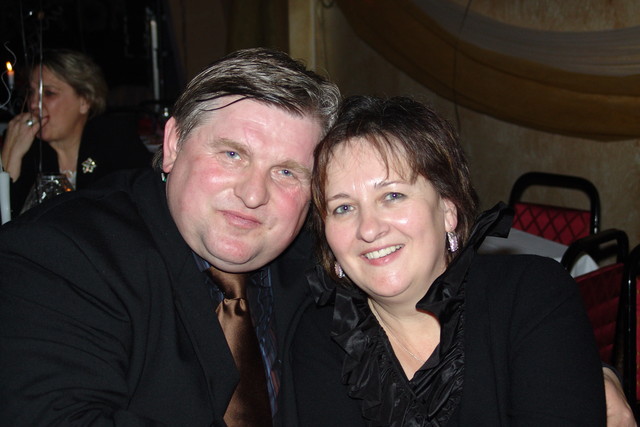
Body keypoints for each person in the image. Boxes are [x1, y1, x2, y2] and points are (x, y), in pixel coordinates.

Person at [0, 47, 340, 425]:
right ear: (174, 145)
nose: (253, 194)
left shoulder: (324, 268)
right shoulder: (60, 256)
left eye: (287, 172)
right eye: (232, 154)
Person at [291, 95, 610, 425]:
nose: (369, 229)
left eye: (393, 195)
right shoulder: (320, 337)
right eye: (343, 207)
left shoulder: (532, 294)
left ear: (447, 210)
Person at [1, 48, 152, 215]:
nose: (34, 104)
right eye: (31, 92)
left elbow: (144, 202)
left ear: (85, 101)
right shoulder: (30, 148)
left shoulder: (113, 137)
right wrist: (11, 154)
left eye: (49, 93)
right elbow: (8, 219)